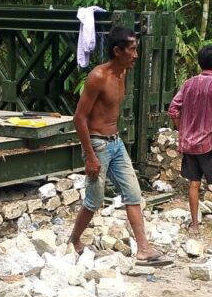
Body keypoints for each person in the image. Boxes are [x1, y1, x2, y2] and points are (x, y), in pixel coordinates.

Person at [69, 26, 171, 266]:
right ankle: (74, 239)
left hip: (115, 142)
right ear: (117, 51)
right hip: (98, 144)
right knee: (94, 200)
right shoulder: (98, 77)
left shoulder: (123, 74)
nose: (136, 55)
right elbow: (79, 117)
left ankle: (143, 248)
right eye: (132, 49)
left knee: (133, 194)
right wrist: (90, 157)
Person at [168, 44, 212, 234]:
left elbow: (173, 109)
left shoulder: (188, 83)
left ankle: (195, 225)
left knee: (194, 183)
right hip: (209, 142)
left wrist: (181, 128)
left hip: (189, 143)